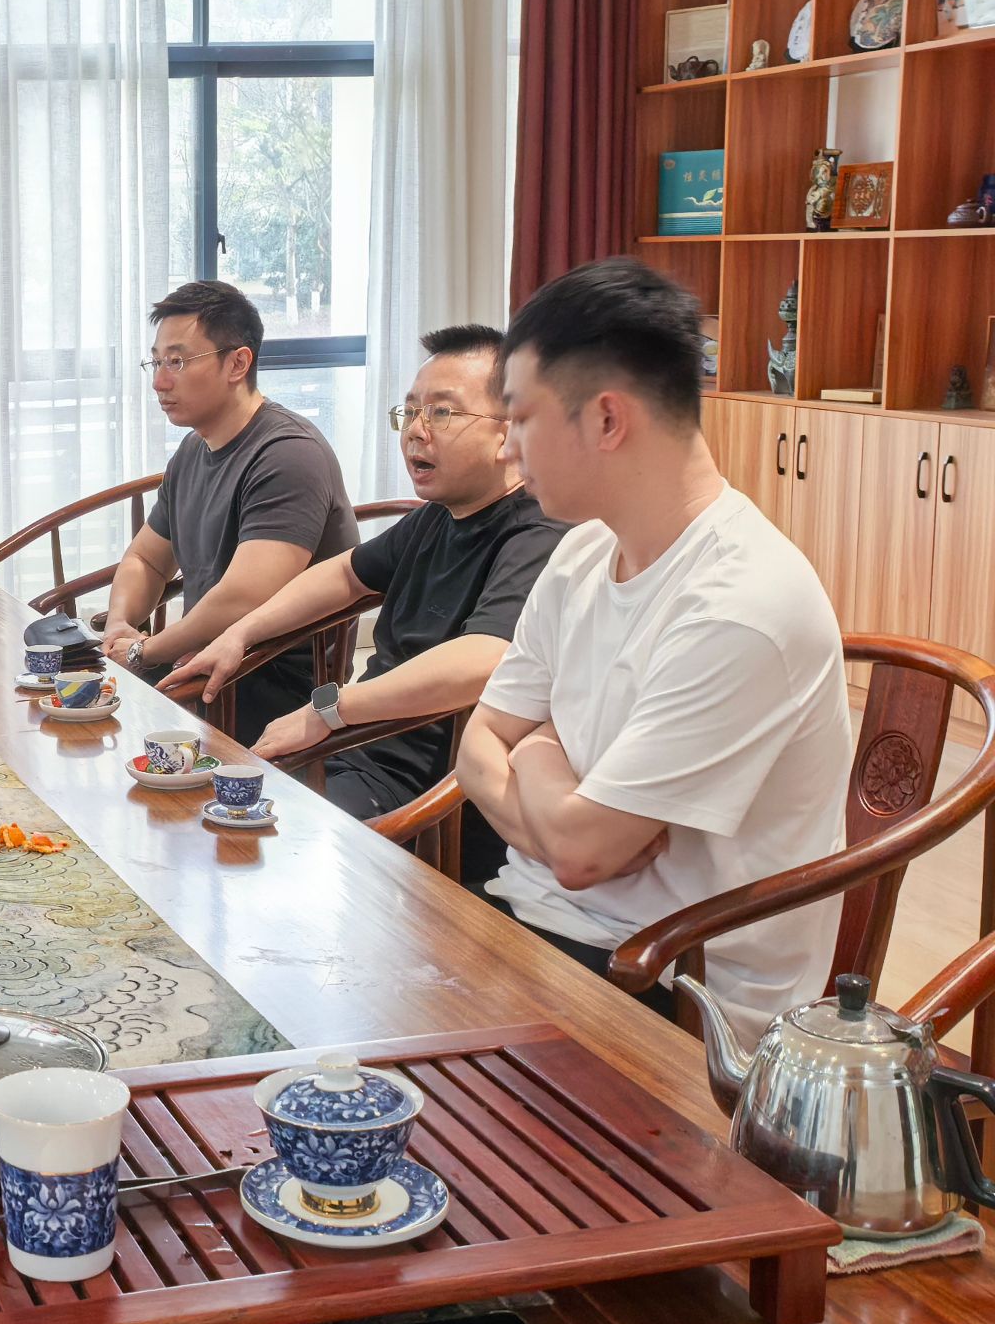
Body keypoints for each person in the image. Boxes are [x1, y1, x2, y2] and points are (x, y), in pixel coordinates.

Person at [453, 258, 852, 1042]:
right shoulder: (580, 553)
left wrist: (533, 752)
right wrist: (550, 781)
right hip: (537, 923)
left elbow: (581, 852)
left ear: (606, 420)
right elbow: (477, 746)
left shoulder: (741, 604)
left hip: (666, 986)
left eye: (521, 420)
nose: (507, 451)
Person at [161, 325, 566, 883]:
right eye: (411, 412)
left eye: (442, 413)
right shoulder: (438, 517)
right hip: (353, 754)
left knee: (224, 852)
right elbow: (344, 575)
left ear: (510, 431)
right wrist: (241, 633)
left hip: (429, 799)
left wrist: (327, 710)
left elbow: (484, 658)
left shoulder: (538, 531)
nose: (416, 431)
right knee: (180, 815)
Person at [100, 280, 357, 742]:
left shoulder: (288, 454)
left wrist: (146, 652)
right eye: (156, 362)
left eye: (177, 361)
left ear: (237, 363)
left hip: (267, 683)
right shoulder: (192, 450)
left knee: (90, 732)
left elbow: (244, 598)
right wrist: (121, 624)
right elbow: (146, 559)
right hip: (198, 665)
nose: (159, 381)